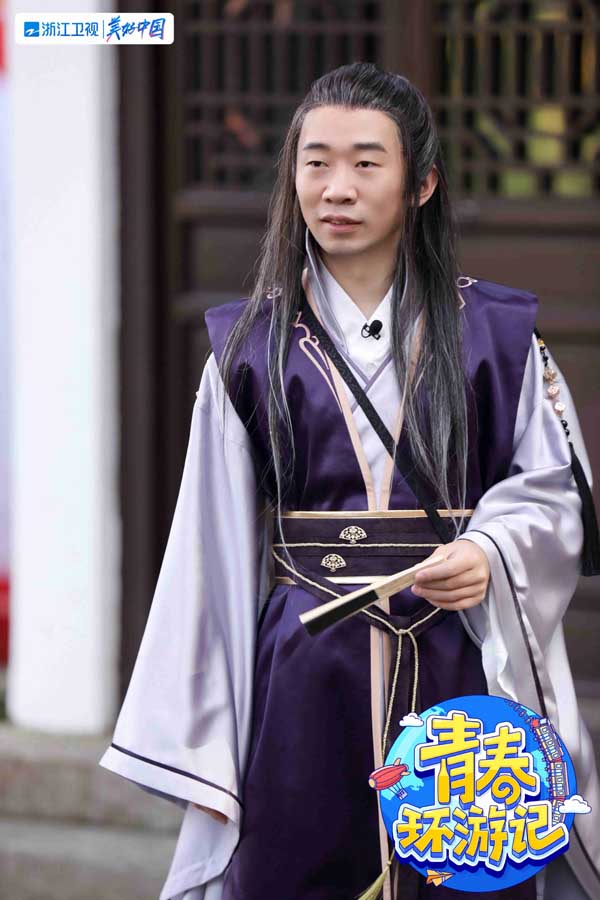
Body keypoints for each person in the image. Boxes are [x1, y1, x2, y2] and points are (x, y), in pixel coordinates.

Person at [98, 63, 600, 900]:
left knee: (465, 879)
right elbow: (208, 550)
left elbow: (552, 492)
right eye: (316, 162)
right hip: (304, 675)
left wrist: (491, 549)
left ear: (421, 183)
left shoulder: (499, 337)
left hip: (457, 667)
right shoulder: (247, 349)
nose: (337, 188)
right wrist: (207, 743)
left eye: (367, 163)